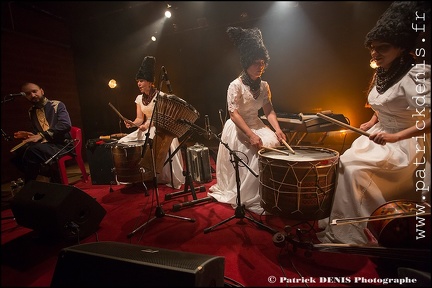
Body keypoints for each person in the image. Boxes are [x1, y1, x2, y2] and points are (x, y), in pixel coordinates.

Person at [317, 1, 431, 245]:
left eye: (383, 48)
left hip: (407, 142)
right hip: (381, 135)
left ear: (401, 47)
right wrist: (371, 121)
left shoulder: (416, 74)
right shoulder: (382, 71)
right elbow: (384, 105)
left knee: (354, 170)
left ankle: (359, 231)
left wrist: (396, 137)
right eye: (372, 48)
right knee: (344, 162)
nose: (374, 53)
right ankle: (347, 222)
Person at [208, 27, 287, 215]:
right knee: (256, 149)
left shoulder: (265, 85)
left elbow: (269, 111)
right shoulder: (235, 85)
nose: (260, 67)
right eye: (256, 63)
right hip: (239, 125)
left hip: (256, 123)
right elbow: (233, 113)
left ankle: (268, 190)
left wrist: (277, 129)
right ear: (246, 63)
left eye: (262, 63)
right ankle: (251, 193)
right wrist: (250, 135)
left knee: (273, 143)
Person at [118, 56, 184, 189]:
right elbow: (139, 119)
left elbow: (160, 118)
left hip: (159, 125)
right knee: (122, 142)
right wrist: (132, 123)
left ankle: (156, 174)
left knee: (153, 140)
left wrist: (146, 126)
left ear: (149, 82)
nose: (139, 84)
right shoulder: (138, 98)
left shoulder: (160, 96)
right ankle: (136, 174)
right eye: (138, 81)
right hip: (144, 127)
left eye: (141, 81)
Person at [11, 82, 73, 183]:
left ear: (42, 91)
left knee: (32, 151)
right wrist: (29, 134)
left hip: (62, 144)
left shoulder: (57, 105)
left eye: (34, 91)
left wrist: (41, 135)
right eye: (28, 94)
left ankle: (30, 184)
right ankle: (43, 177)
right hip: (46, 144)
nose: (32, 95)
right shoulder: (31, 111)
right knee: (18, 152)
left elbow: (65, 125)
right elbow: (38, 131)